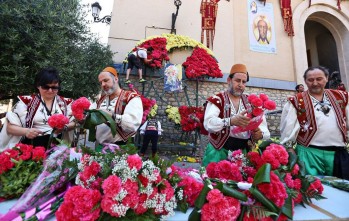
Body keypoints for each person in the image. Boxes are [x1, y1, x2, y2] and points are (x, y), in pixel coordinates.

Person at [280, 66, 349, 179]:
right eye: (310, 80)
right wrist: (290, 151)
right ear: (305, 81)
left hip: (338, 154)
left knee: (342, 190)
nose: (315, 83)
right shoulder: (296, 101)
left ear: (326, 78)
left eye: (319, 79)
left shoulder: (342, 97)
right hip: (308, 154)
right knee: (313, 191)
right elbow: (287, 129)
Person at [202, 63, 270, 166]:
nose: (240, 85)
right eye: (237, 80)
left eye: (244, 82)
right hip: (218, 152)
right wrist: (230, 121)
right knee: (214, 181)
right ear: (229, 81)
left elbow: (264, 129)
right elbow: (209, 124)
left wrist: (260, 134)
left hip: (243, 154)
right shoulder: (218, 99)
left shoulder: (252, 102)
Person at [0, 67, 75, 150]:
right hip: (32, 147)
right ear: (38, 86)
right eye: (45, 87)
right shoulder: (26, 102)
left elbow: (74, 123)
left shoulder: (66, 103)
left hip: (58, 147)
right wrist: (26, 131)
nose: (50, 90)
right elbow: (10, 128)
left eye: (54, 87)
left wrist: (64, 127)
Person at [90, 67, 143, 147]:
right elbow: (90, 115)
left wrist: (111, 115)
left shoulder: (131, 97)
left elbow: (132, 124)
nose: (103, 84)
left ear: (115, 79)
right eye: (101, 82)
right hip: (99, 147)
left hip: (122, 148)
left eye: (106, 80)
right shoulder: (100, 100)